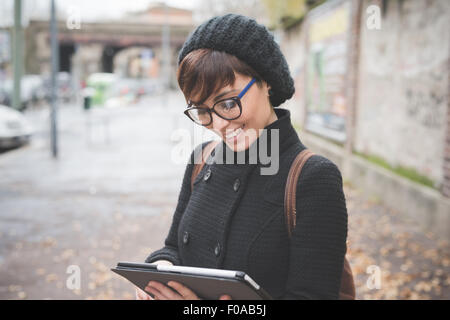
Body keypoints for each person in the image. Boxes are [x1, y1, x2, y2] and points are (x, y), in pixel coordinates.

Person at [136, 13, 348, 300]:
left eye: (227, 102)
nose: (219, 124)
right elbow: (174, 246)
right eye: (203, 111)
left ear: (266, 82)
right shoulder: (202, 159)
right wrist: (160, 276)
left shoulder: (313, 178)